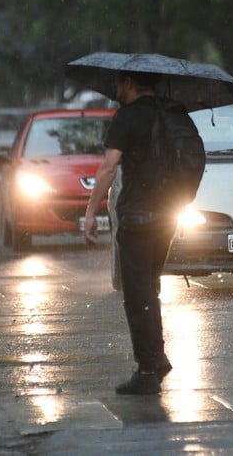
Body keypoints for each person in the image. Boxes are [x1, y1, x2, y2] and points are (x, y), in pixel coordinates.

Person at [83, 70, 178, 395]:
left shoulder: (127, 117)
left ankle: (146, 370)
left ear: (130, 83)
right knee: (150, 288)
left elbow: (109, 167)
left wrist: (91, 212)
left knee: (137, 294)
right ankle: (157, 356)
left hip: (138, 216)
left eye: (118, 82)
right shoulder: (170, 114)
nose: (115, 88)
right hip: (167, 215)